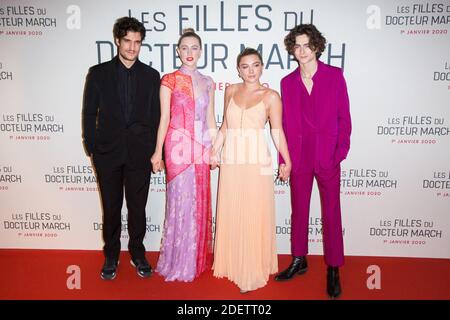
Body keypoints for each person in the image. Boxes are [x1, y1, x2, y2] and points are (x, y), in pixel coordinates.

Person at [274, 24, 352, 299]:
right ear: (292, 50)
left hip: (327, 156)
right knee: (299, 210)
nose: (302, 50)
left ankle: (333, 267)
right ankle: (299, 259)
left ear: (317, 46)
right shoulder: (287, 82)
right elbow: (282, 124)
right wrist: (285, 159)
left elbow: (344, 118)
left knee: (331, 213)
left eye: (307, 45)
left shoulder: (334, 76)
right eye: (297, 46)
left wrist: (339, 153)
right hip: (299, 158)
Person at [82, 17, 160, 280]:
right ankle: (111, 256)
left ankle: (138, 253)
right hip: (107, 153)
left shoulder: (151, 76)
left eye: (137, 42)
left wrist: (152, 149)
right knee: (112, 207)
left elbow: (155, 116)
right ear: (117, 40)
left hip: (139, 154)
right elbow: (89, 112)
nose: (132, 47)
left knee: (138, 208)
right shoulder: (98, 73)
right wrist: (92, 146)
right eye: (127, 41)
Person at [211, 48, 292, 293]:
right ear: (238, 69)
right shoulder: (231, 90)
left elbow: (277, 131)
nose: (250, 71)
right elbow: (225, 125)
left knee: (253, 211)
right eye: (245, 66)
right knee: (233, 208)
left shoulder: (271, 96)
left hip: (257, 161)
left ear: (262, 67)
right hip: (232, 160)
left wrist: (286, 161)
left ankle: (251, 269)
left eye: (255, 65)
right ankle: (232, 262)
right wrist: (214, 151)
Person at [151, 29, 216, 282]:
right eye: (185, 48)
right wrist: (158, 152)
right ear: (178, 51)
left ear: (201, 51)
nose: (189, 53)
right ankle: (177, 260)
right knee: (180, 202)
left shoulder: (209, 82)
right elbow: (164, 118)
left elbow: (211, 118)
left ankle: (194, 260)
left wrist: (214, 149)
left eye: (194, 48)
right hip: (177, 147)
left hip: (201, 146)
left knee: (198, 202)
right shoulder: (169, 80)